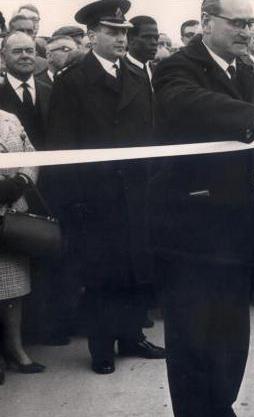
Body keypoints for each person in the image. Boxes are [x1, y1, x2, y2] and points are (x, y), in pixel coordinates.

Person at [150, 0, 254, 414]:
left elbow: (246, 142)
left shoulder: (243, 70)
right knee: (192, 333)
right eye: (237, 23)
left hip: (234, 226)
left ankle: (220, 403)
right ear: (208, 23)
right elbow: (189, 102)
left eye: (250, 23)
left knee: (231, 333)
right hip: (188, 228)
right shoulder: (178, 66)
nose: (246, 31)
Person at [46, 0, 165, 375]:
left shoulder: (136, 76)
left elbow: (148, 134)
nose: (121, 38)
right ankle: (101, 348)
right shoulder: (72, 81)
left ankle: (132, 336)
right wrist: (73, 201)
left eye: (124, 32)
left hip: (134, 192)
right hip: (93, 197)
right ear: (92, 35)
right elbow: (61, 146)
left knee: (133, 267)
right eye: (112, 32)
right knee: (100, 274)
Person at [0, 111, 43, 379]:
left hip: (13, 213)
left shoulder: (10, 118)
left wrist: (22, 181)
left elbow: (32, 153)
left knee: (13, 288)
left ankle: (16, 350)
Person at [126, 16, 158, 85]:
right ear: (131, 39)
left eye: (156, 38)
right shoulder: (120, 71)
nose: (154, 42)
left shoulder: (158, 71)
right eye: (147, 37)